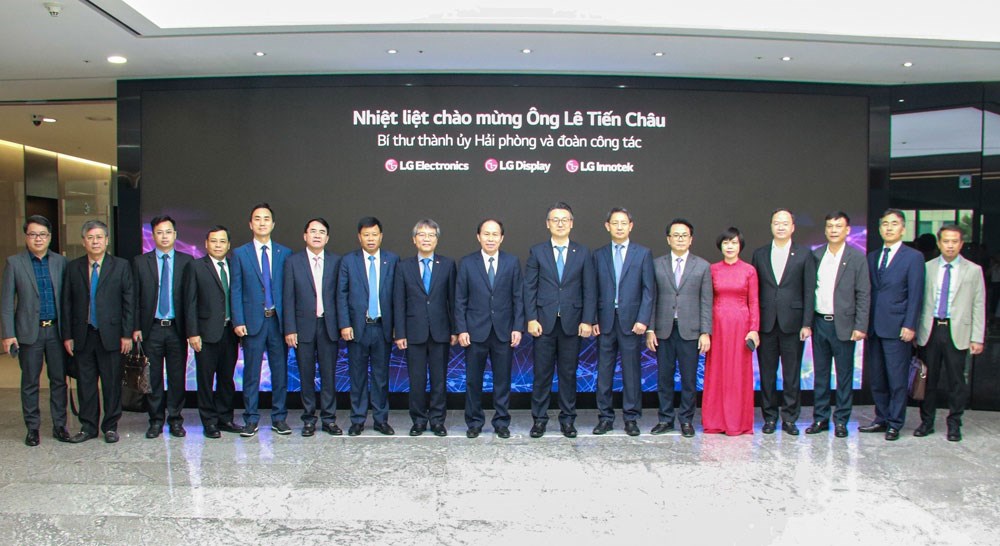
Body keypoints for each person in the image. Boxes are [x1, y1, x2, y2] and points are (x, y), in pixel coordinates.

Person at [524, 202, 596, 438]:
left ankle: (568, 420)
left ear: (572, 223)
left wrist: (587, 320)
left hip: (572, 323)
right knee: (541, 375)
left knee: (568, 374)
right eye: (555, 220)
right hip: (543, 324)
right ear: (548, 224)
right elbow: (529, 288)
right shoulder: (537, 251)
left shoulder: (582, 252)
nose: (560, 223)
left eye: (565, 219)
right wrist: (531, 318)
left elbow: (589, 289)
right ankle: (539, 420)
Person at [62, 219, 134, 443]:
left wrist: (126, 334)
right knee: (86, 383)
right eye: (90, 238)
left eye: (99, 237)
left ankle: (110, 426)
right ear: (84, 241)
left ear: (107, 240)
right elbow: (66, 303)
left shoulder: (121, 266)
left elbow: (129, 302)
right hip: (83, 335)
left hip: (111, 335)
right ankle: (88, 426)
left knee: (111, 384)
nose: (95, 242)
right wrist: (67, 335)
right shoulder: (73, 267)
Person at [1, 215, 71, 446]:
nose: (38, 239)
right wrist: (8, 334)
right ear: (26, 237)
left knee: (59, 380)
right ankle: (32, 428)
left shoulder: (61, 262)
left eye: (42, 234)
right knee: (30, 382)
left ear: (49, 237)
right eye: (33, 234)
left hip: (57, 331)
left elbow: (68, 299)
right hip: (29, 332)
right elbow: (6, 302)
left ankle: (60, 425)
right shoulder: (14, 263)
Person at [914, 224, 986, 442]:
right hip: (931, 329)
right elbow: (918, 301)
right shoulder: (926, 268)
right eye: (946, 241)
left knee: (956, 381)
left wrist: (977, 337)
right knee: (929, 379)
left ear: (961, 244)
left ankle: (954, 423)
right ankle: (926, 422)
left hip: (958, 330)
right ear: (939, 243)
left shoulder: (973, 270)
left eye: (955, 241)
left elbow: (979, 304)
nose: (950, 245)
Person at [455, 219, 524, 439]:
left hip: (504, 331)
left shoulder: (512, 262)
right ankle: (474, 422)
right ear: (478, 237)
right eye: (486, 234)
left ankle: (501, 422)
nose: (491, 238)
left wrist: (518, 327)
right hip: (474, 332)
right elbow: (460, 300)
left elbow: (518, 297)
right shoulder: (467, 263)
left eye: (495, 234)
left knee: (502, 381)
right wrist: (462, 329)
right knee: (473, 380)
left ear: (502, 238)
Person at [859, 208, 925, 441]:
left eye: (894, 224)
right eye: (885, 224)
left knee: (897, 378)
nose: (889, 228)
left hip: (898, 327)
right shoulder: (872, 256)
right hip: (874, 327)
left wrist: (910, 324)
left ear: (903, 229)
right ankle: (881, 417)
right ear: (879, 229)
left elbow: (916, 294)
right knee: (877, 378)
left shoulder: (913, 257)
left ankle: (895, 422)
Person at [750, 208, 815, 435]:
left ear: (792, 227)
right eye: (776, 222)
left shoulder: (804, 254)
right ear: (771, 226)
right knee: (767, 374)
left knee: (791, 374)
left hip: (793, 324)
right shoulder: (760, 254)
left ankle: (789, 418)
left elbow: (809, 291)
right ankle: (769, 417)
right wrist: (754, 325)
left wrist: (807, 323)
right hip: (766, 323)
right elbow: (754, 292)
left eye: (785, 223)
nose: (780, 226)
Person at [646, 218, 712, 438]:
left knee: (689, 379)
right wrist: (650, 329)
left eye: (684, 235)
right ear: (668, 239)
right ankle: (665, 419)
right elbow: (652, 299)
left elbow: (706, 301)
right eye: (676, 235)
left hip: (690, 331)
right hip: (663, 330)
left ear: (691, 239)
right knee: (664, 378)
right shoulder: (656, 265)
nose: (680, 239)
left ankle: (686, 420)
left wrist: (705, 332)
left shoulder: (702, 266)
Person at [806, 212, 870, 438]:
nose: (834, 230)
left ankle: (841, 420)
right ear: (825, 230)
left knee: (844, 376)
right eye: (830, 226)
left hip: (845, 325)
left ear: (847, 230)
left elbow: (863, 293)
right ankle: (820, 418)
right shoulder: (816, 255)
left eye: (838, 226)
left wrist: (860, 326)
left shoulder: (856, 257)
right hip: (820, 322)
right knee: (821, 375)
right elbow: (809, 291)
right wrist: (807, 323)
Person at [231, 203, 292, 437]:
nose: (262, 223)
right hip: (252, 322)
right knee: (251, 373)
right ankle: (251, 419)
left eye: (266, 219)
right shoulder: (240, 253)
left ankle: (279, 418)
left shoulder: (284, 253)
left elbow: (288, 291)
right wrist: (238, 320)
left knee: (280, 372)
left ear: (273, 224)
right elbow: (236, 289)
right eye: (257, 219)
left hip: (277, 322)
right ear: (250, 224)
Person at [592, 207, 654, 436]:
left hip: (632, 323)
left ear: (631, 226)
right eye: (615, 223)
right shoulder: (598, 255)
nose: (619, 227)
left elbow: (648, 290)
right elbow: (592, 290)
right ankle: (605, 417)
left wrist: (643, 319)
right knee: (604, 372)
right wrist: (593, 319)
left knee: (631, 372)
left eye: (623, 223)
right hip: (605, 322)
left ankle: (631, 418)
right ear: (607, 226)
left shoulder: (643, 254)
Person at [132, 215, 193, 439]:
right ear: (153, 235)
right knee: (154, 377)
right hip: (152, 328)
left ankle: (176, 420)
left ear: (175, 235)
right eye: (159, 232)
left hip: (177, 328)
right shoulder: (141, 262)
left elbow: (191, 299)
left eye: (168, 232)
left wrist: (192, 330)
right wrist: (136, 327)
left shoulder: (187, 262)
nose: (164, 236)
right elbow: (134, 297)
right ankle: (156, 420)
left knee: (177, 377)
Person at [394, 219, 456, 437]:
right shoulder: (403, 267)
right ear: (414, 239)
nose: (426, 239)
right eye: (422, 235)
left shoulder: (447, 265)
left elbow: (453, 300)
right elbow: (399, 302)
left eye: (431, 235)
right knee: (416, 380)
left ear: (437, 240)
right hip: (414, 332)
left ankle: (438, 420)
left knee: (439, 379)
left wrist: (455, 330)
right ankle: (419, 420)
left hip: (441, 331)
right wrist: (400, 332)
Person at [337, 216, 399, 436]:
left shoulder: (392, 260)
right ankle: (358, 419)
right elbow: (341, 294)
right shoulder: (348, 261)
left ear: (381, 236)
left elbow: (398, 296)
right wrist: (345, 324)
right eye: (366, 235)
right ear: (359, 237)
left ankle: (381, 420)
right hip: (357, 328)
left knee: (381, 377)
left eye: (374, 234)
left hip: (383, 327)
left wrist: (397, 327)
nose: (370, 239)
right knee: (358, 377)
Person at [283, 218, 342, 437]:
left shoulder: (337, 261)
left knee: (329, 375)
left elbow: (340, 296)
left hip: (328, 326)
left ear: (327, 237)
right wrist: (290, 328)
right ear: (305, 235)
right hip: (302, 327)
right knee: (306, 375)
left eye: (322, 232)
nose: (317, 235)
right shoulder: (293, 262)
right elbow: (288, 297)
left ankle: (329, 419)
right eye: (313, 231)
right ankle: (308, 419)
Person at [183, 225, 241, 438]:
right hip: (205, 334)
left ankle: (225, 418)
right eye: (214, 241)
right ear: (206, 244)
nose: (218, 245)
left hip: (230, 332)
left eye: (222, 241)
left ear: (229, 245)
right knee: (206, 380)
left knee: (227, 378)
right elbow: (190, 301)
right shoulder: (196, 267)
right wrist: (192, 333)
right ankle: (209, 422)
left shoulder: (234, 266)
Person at [702, 227, 759, 436]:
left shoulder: (749, 270)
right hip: (717, 326)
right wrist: (705, 330)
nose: (730, 246)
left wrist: (754, 329)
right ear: (720, 246)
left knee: (738, 373)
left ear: (740, 245)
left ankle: (737, 422)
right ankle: (715, 421)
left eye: (734, 242)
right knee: (717, 371)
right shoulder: (712, 270)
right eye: (726, 242)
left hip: (741, 326)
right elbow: (706, 301)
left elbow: (754, 301)